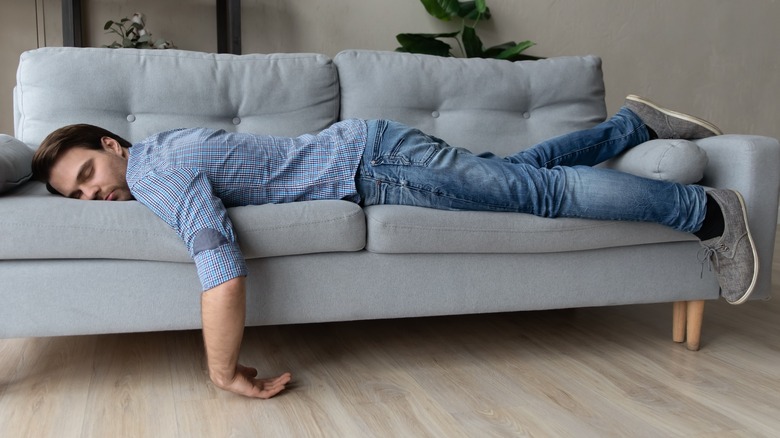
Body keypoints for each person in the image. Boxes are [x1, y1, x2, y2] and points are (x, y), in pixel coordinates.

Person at [30, 94, 758, 399]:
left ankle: (705, 213)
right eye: (79, 195)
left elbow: (219, 271)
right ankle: (634, 127)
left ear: (112, 144)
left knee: (540, 197)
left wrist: (223, 373)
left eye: (91, 173)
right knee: (520, 176)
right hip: (374, 150)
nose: (96, 194)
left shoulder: (157, 171)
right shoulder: (160, 151)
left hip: (375, 166)